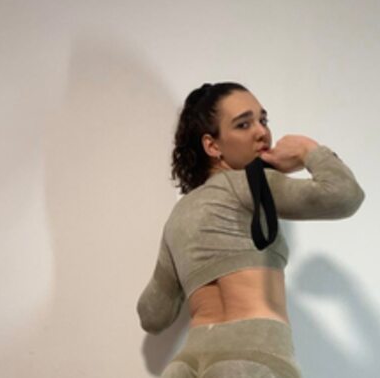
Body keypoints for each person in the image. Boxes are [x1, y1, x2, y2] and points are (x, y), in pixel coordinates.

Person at [137, 82, 365, 377]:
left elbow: (152, 315)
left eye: (263, 120)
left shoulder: (177, 219)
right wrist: (307, 149)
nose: (262, 132)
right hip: (253, 356)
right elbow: (344, 195)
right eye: (244, 124)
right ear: (212, 146)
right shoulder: (252, 183)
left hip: (186, 364)